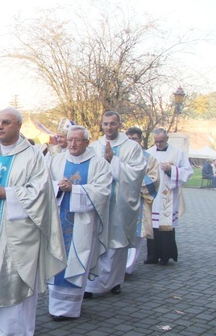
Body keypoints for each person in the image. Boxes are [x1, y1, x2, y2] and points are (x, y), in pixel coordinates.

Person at [0, 107, 66, 336]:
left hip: (18, 232)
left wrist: (8, 193)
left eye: (6, 123)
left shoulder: (33, 157)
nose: (0, 126)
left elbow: (41, 191)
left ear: (18, 126)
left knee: (11, 277)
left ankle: (14, 333)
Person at [47, 126, 111, 320]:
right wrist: (58, 187)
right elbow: (43, 183)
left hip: (83, 223)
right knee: (57, 257)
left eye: (77, 140)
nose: (72, 144)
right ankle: (54, 306)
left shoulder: (98, 164)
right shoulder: (56, 160)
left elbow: (103, 191)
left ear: (87, 142)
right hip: (58, 218)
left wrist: (74, 189)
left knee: (77, 258)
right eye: (70, 139)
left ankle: (70, 308)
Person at [85, 111, 144, 297]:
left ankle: (115, 281)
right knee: (96, 242)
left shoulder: (132, 147)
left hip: (120, 202)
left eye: (112, 123)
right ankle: (91, 286)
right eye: (105, 124)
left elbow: (137, 174)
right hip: (99, 202)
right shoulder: (94, 147)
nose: (109, 127)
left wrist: (113, 160)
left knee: (117, 245)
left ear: (119, 124)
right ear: (101, 125)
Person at [145, 128, 193, 265]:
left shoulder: (177, 153)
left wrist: (171, 170)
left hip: (168, 195)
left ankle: (165, 255)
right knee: (152, 226)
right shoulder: (148, 153)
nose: (158, 144)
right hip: (153, 194)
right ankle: (152, 256)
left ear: (167, 139)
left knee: (165, 227)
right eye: (156, 141)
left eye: (161, 141)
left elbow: (188, 171)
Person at [124, 127, 160, 275]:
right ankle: (116, 268)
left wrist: (133, 184)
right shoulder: (119, 156)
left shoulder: (149, 158)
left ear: (141, 140)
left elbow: (154, 179)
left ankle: (127, 269)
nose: (133, 142)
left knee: (136, 237)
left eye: (135, 139)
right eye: (129, 139)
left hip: (139, 202)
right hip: (121, 202)